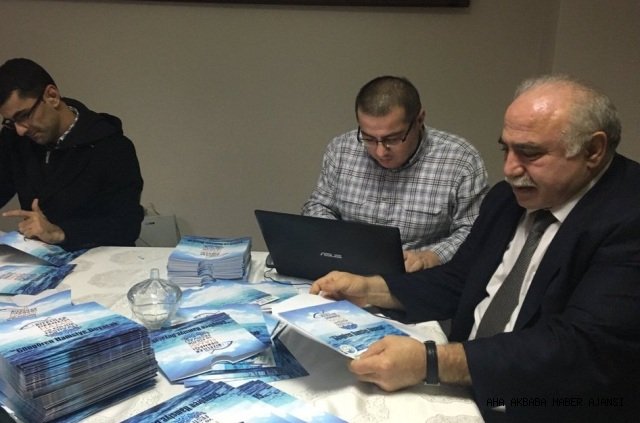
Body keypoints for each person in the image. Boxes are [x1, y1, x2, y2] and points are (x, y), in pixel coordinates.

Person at [310, 75, 640, 422]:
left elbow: (581, 347)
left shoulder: (630, 217)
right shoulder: (507, 198)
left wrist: (431, 362)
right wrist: (371, 289)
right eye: (506, 149)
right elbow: (459, 280)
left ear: (593, 150)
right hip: (467, 384)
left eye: (530, 153)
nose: (510, 169)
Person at [302, 76, 488, 272]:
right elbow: (318, 205)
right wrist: (338, 241)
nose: (381, 151)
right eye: (368, 138)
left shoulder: (460, 160)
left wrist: (430, 257)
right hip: (348, 268)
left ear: (419, 119)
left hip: (418, 276)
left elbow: (473, 230)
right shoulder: (341, 149)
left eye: (393, 138)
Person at [0, 58, 144, 250]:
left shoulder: (112, 147)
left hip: (97, 259)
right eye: (11, 121)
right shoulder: (15, 139)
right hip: (39, 258)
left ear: (52, 96)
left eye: (24, 116)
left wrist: (60, 233)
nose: (20, 130)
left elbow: (126, 226)